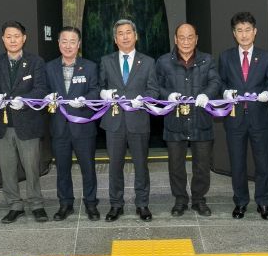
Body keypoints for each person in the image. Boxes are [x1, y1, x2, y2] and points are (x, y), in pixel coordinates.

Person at [0, 21, 49, 224]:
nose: (13, 40)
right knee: (7, 169)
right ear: (3, 39)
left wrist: (25, 100)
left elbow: (41, 89)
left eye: (17, 36)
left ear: (24, 38)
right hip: (2, 125)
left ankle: (36, 203)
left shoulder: (35, 62)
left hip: (28, 124)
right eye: (9, 37)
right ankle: (14, 205)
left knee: (31, 168)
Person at [156, 23, 221, 217]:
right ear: (175, 39)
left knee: (202, 165)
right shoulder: (163, 61)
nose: (186, 41)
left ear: (196, 39)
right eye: (182, 37)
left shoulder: (207, 60)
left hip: (201, 120)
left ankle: (199, 199)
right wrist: (167, 95)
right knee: (176, 165)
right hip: (174, 121)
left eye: (190, 37)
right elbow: (156, 86)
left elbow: (215, 81)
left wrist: (207, 94)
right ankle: (180, 199)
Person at [99, 19, 160, 222]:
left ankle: (142, 204)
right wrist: (103, 93)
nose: (125, 37)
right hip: (113, 121)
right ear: (115, 39)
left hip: (138, 120)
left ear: (136, 36)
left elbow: (154, 90)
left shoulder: (148, 62)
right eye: (120, 34)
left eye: (128, 32)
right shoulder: (106, 61)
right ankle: (116, 204)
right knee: (114, 165)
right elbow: (98, 87)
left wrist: (143, 99)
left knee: (141, 165)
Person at [218, 12, 268, 220]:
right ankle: (241, 202)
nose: (244, 35)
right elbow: (220, 82)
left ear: (255, 31)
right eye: (239, 31)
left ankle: (264, 202)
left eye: (248, 30)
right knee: (237, 163)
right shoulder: (226, 57)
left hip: (260, 118)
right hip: (235, 119)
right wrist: (225, 92)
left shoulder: (266, 56)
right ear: (234, 34)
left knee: (263, 163)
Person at [45, 26, 100, 221]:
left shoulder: (90, 66)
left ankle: (91, 203)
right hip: (59, 127)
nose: (68, 46)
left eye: (72, 41)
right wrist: (47, 97)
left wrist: (85, 100)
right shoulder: (49, 67)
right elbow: (43, 90)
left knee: (88, 168)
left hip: (83, 126)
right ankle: (65, 204)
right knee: (62, 169)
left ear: (79, 44)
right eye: (64, 41)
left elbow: (96, 90)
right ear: (58, 43)